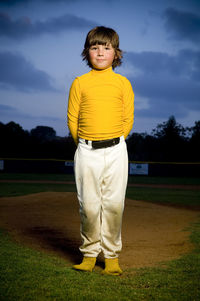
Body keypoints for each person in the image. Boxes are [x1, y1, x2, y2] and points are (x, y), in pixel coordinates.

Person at [67, 26, 134, 275]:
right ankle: (89, 255)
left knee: (114, 205)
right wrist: (86, 144)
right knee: (89, 206)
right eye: (95, 47)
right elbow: (72, 119)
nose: (100, 52)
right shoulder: (79, 83)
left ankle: (112, 258)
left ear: (116, 53)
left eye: (106, 47)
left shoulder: (123, 83)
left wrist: (114, 142)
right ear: (88, 52)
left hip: (117, 150)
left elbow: (128, 119)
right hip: (86, 150)